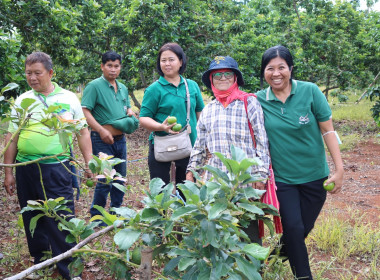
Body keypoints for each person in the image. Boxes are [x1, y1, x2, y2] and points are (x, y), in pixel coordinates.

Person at [256, 45, 344, 279]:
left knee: (302, 230)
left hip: (316, 176)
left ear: (291, 68)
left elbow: (328, 131)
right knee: (293, 227)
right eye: (270, 68)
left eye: (281, 67)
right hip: (283, 179)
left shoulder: (310, 91)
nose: (276, 73)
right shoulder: (257, 101)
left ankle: (272, 259)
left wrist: (339, 168)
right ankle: (304, 276)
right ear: (263, 72)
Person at [3, 51, 92, 280]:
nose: (32, 78)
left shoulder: (69, 98)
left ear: (50, 73)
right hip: (27, 168)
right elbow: (11, 137)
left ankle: (69, 269)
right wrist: (9, 173)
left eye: (37, 73)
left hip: (56, 167)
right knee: (33, 215)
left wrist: (89, 163)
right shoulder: (23, 100)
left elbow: (82, 133)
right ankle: (41, 261)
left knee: (62, 217)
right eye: (28, 73)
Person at [186, 56, 271, 243]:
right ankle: (223, 269)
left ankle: (251, 268)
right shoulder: (209, 110)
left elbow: (262, 142)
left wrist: (261, 175)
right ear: (211, 80)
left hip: (245, 180)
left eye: (227, 74)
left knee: (247, 229)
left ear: (235, 78)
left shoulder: (250, 103)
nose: (222, 78)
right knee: (219, 227)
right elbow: (199, 145)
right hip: (217, 181)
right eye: (217, 76)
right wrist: (192, 170)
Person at [139, 42, 205, 186]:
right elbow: (143, 118)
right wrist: (161, 127)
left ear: (181, 62)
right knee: (160, 190)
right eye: (163, 60)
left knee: (188, 190)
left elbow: (200, 113)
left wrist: (205, 139)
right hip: (162, 144)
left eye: (171, 59)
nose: (167, 64)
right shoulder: (154, 89)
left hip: (189, 144)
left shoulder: (192, 86)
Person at [81, 51, 137, 218]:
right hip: (101, 140)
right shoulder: (94, 86)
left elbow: (127, 106)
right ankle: (97, 215)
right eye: (109, 66)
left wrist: (130, 112)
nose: (113, 69)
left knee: (120, 178)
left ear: (120, 68)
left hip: (121, 140)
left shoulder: (123, 88)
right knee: (104, 179)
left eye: (116, 66)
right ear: (102, 66)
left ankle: (116, 212)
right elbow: (85, 111)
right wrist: (101, 130)